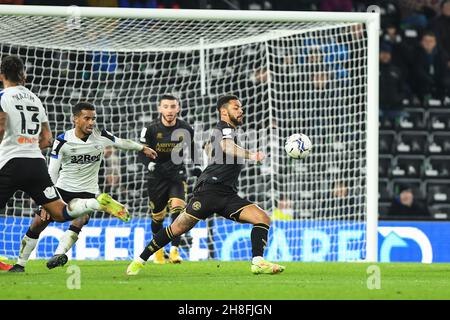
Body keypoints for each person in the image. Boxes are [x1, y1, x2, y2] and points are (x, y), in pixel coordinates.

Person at [127, 94, 285, 275]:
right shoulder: (224, 128)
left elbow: (213, 147)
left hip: (227, 195)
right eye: (236, 108)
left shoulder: (227, 131)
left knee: (262, 218)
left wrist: (210, 148)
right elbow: (226, 146)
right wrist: (251, 155)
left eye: (241, 107)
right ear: (224, 112)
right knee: (177, 228)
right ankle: (139, 260)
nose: (241, 111)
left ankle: (258, 262)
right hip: (209, 192)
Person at [0, 55, 130, 271]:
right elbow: (46, 139)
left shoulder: (3, 96)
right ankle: (95, 203)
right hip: (35, 163)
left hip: (10, 162)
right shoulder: (34, 99)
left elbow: (1, 128)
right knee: (60, 213)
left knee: (42, 218)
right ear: (23, 75)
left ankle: (18, 263)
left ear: (1, 76)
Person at [10, 101, 157, 272]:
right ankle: (20, 264)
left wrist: (142, 148)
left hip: (88, 191)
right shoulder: (62, 141)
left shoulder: (101, 136)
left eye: (93, 118)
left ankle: (58, 254)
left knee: (80, 220)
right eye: (87, 118)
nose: (91, 122)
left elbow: (122, 142)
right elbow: (52, 172)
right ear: (76, 120)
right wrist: (46, 200)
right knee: (38, 223)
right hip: (63, 189)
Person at [138, 94, 201, 264]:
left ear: (178, 108)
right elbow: (141, 151)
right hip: (156, 177)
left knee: (178, 211)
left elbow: (194, 148)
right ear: (160, 109)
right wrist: (148, 165)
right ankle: (158, 251)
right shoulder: (150, 129)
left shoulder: (186, 128)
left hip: (176, 175)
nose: (170, 110)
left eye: (173, 106)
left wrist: (198, 166)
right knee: (157, 218)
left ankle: (174, 251)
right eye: (166, 106)